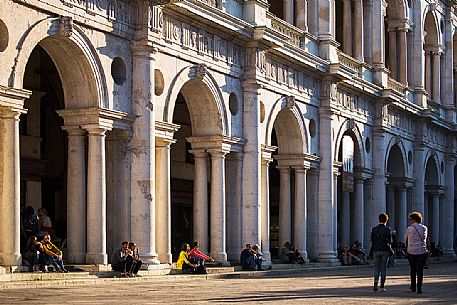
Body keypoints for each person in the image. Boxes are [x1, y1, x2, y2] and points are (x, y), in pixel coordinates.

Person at [405, 211, 428, 294]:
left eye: (410, 219)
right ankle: (419, 288)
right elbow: (425, 239)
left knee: (413, 270)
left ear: (414, 220)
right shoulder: (424, 228)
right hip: (421, 251)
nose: (410, 221)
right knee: (420, 270)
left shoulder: (409, 229)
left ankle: (413, 286)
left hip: (411, 251)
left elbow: (405, 239)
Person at [370, 213, 393, 292]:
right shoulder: (388, 229)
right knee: (383, 268)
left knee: (376, 268)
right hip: (385, 250)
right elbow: (390, 241)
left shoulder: (374, 229)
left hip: (376, 250)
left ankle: (375, 284)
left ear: (379, 220)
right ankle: (382, 286)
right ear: (386, 220)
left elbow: (371, 240)